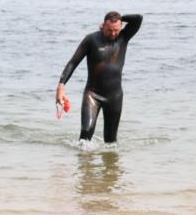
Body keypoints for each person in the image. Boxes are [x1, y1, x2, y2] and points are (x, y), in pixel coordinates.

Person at [56, 11, 142, 144]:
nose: (113, 34)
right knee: (85, 135)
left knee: (110, 141)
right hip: (92, 95)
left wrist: (120, 18)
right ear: (103, 25)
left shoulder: (123, 37)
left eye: (116, 30)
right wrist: (61, 87)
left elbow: (138, 18)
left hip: (115, 96)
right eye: (109, 30)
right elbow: (73, 63)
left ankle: (110, 165)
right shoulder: (91, 40)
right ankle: (84, 163)